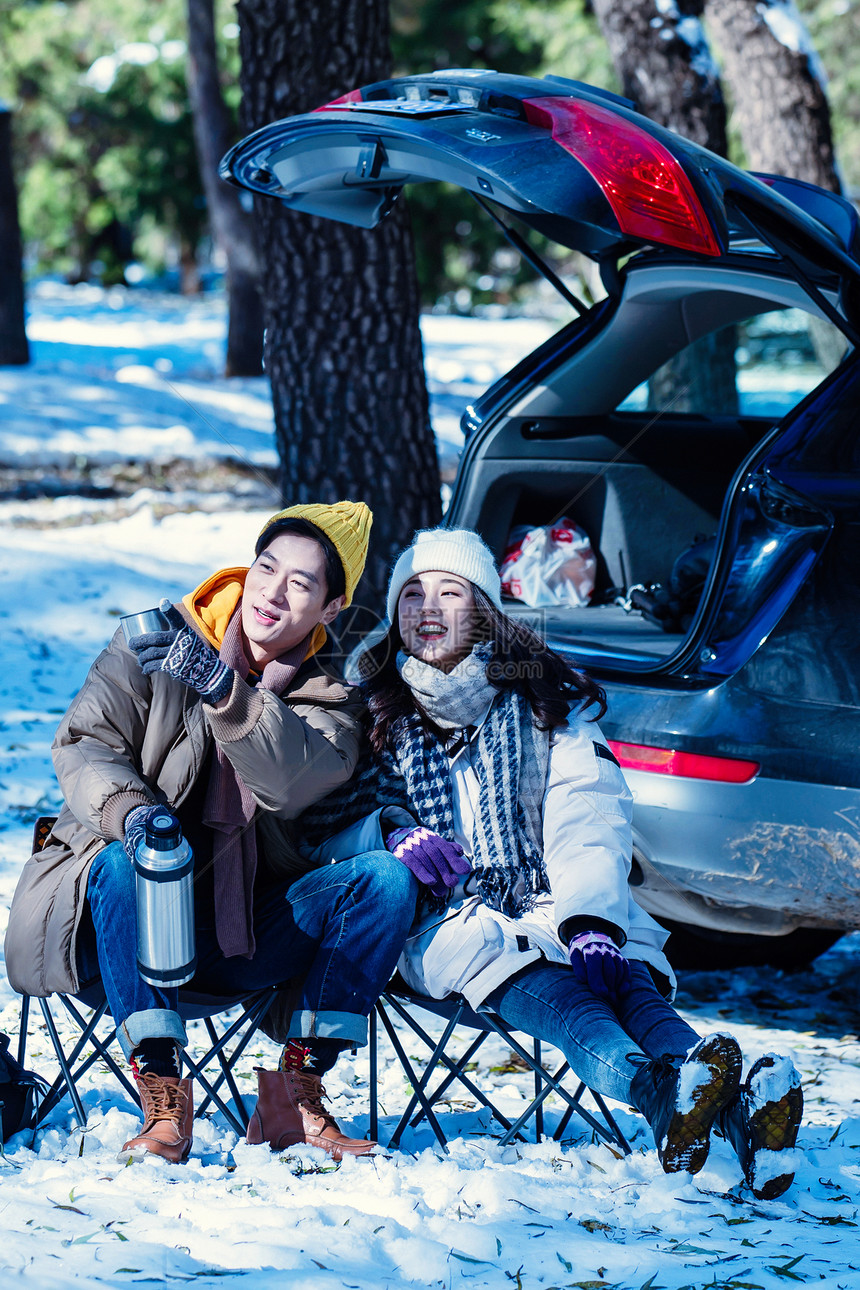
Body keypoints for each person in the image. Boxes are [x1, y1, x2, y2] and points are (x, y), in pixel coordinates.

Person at [301, 527, 803, 1200]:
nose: (427, 608)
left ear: (483, 608)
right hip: (439, 920)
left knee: (621, 979)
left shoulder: (543, 704)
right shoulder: (367, 708)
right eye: (412, 594)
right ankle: (658, 1092)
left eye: (450, 592)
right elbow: (320, 832)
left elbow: (588, 816)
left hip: (551, 900)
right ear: (393, 614)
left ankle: (739, 1121)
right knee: (563, 994)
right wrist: (386, 833)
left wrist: (589, 917)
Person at [5, 501, 419, 1165]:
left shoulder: (330, 698)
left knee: (383, 881)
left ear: (332, 609)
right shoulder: (151, 642)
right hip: (112, 933)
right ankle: (163, 1092)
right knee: (122, 861)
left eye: (302, 584)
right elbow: (84, 744)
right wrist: (135, 814)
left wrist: (223, 687)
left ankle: (296, 1092)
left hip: (237, 941)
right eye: (267, 567)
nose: (273, 593)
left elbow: (289, 782)